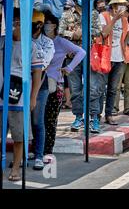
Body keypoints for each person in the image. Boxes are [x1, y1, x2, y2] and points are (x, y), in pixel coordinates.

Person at [0, 8, 43, 181]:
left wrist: (33, 96)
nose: (14, 27)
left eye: (18, 24)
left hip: (20, 99)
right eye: (13, 23)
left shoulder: (32, 46)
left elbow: (37, 73)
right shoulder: (2, 42)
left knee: (19, 135)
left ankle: (15, 168)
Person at [42, 13, 86, 156]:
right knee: (36, 119)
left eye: (47, 23)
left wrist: (69, 68)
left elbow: (81, 52)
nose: (45, 26)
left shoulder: (60, 42)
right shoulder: (38, 40)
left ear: (54, 26)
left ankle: (47, 150)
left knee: (50, 119)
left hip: (55, 84)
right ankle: (36, 150)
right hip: (38, 83)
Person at [94, 0, 129, 124]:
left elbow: (126, 37)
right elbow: (104, 34)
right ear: (114, 5)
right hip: (105, 57)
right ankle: (96, 115)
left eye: (124, 5)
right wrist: (114, 19)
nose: (122, 7)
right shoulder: (103, 16)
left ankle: (108, 114)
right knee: (100, 88)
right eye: (120, 4)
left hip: (119, 58)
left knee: (113, 89)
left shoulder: (125, 20)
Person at [31, 10, 55, 170]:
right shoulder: (21, 40)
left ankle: (39, 155)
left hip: (40, 86)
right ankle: (25, 152)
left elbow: (43, 66)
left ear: (39, 25)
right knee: (22, 122)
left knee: (37, 121)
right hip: (20, 84)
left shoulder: (47, 43)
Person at [58, 0, 84, 130]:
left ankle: (93, 116)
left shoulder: (93, 15)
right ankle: (78, 117)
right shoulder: (66, 15)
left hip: (91, 56)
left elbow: (99, 32)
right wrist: (74, 34)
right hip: (72, 57)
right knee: (75, 89)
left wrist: (85, 33)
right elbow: (60, 31)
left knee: (93, 89)